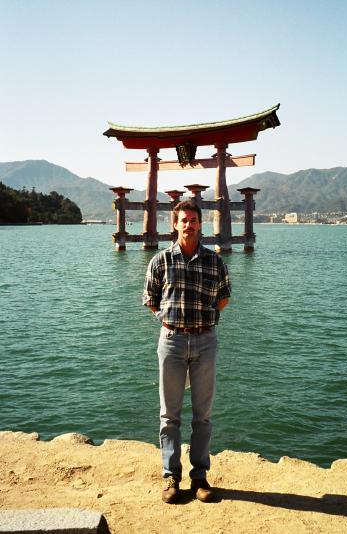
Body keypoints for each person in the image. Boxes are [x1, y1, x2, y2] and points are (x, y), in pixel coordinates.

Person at [143, 200, 231, 504]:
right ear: (175, 223)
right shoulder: (161, 260)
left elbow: (224, 296)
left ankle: (200, 476)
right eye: (184, 220)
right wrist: (167, 319)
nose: (189, 225)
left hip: (206, 341)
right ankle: (170, 476)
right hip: (172, 341)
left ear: (200, 224)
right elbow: (150, 298)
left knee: (203, 416)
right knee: (169, 415)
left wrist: (204, 320)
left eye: (194, 220)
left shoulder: (214, 261)